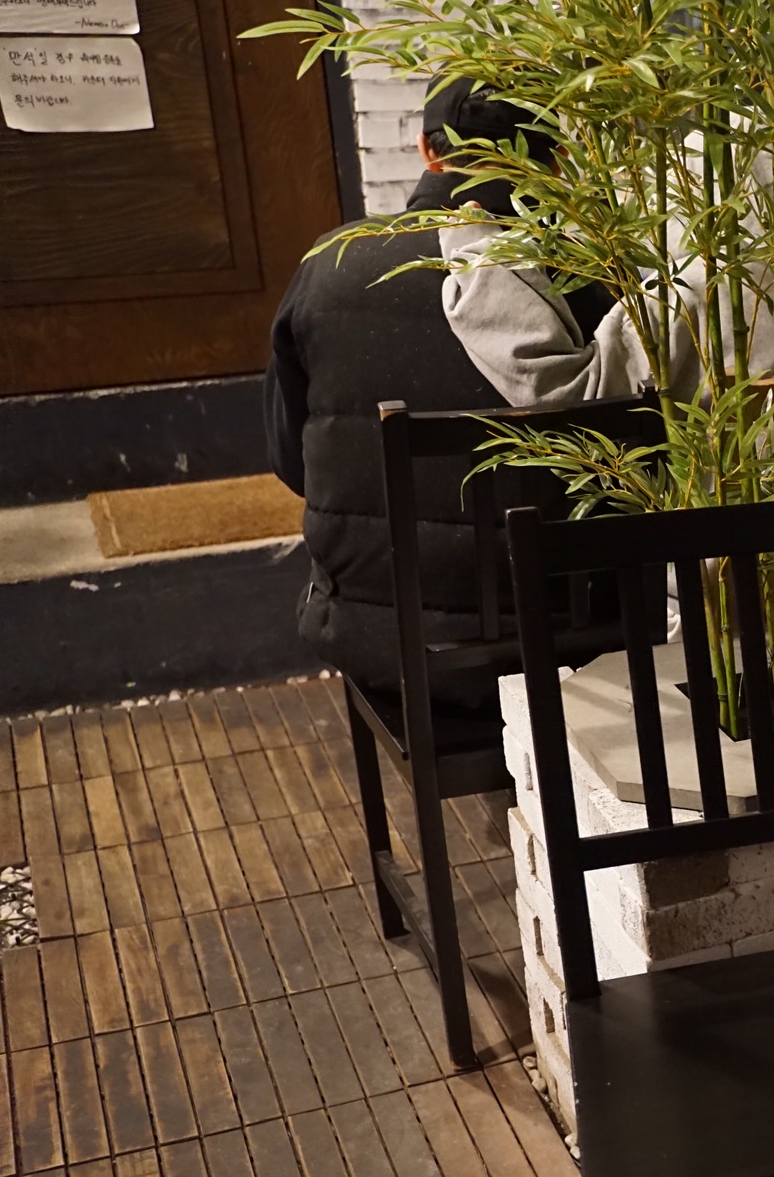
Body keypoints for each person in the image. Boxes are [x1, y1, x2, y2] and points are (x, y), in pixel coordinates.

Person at [263, 77, 620, 709]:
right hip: (570, 646)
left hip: (375, 638)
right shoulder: (584, 276)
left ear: (428, 150)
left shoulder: (329, 266)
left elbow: (293, 464)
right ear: (557, 159)